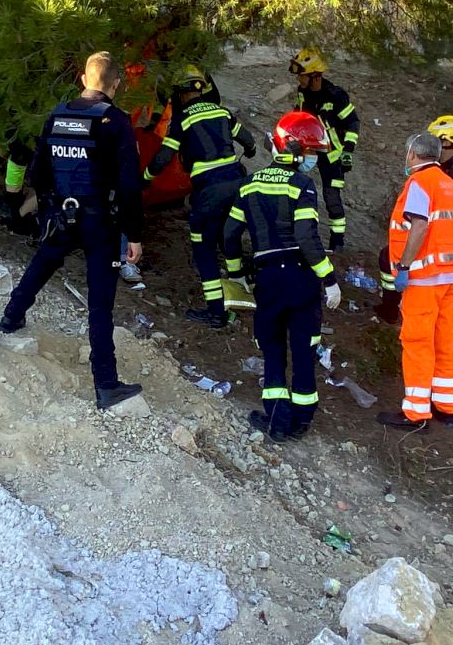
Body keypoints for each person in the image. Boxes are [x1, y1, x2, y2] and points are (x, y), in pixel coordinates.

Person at [0, 51, 145, 410]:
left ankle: (10, 318)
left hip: (63, 214)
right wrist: (135, 235)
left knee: (43, 263)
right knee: (100, 303)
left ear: (83, 79)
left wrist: (51, 207)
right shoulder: (117, 122)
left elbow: (38, 172)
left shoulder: (58, 115)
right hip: (101, 223)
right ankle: (106, 384)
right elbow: (129, 186)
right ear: (115, 85)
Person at [223, 111, 341, 442]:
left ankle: (275, 419)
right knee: (304, 348)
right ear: (293, 148)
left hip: (268, 279)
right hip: (301, 278)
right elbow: (306, 237)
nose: (313, 160)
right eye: (311, 152)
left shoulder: (249, 186)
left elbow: (230, 235)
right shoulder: (301, 185)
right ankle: (301, 420)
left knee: (273, 348)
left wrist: (238, 274)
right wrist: (329, 279)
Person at [144, 65, 257, 326]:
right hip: (237, 185)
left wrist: (144, 180)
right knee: (229, 238)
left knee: (203, 249)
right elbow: (248, 141)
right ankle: (242, 291)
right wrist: (249, 152)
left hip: (208, 193)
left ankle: (217, 312)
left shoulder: (182, 120)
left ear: (180, 92)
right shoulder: (222, 112)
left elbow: (163, 158)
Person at [376, 132, 453, 430]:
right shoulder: (447, 183)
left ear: (412, 154)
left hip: (424, 279)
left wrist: (403, 266)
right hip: (450, 278)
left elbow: (419, 225)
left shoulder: (419, 183)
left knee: (417, 342)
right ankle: (446, 405)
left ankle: (415, 413)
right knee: (445, 339)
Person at [377, 115, 453, 363]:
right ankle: (390, 309)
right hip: (427, 243)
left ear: (446, 142)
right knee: (386, 257)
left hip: (448, 249)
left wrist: (447, 249)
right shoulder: (437, 169)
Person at [291, 47, 361, 252]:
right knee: (292, 187)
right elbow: (299, 114)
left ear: (315, 76)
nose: (298, 80)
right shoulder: (302, 92)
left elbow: (353, 122)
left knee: (332, 198)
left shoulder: (336, 96)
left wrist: (348, 151)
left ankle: (337, 245)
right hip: (309, 151)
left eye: (301, 76)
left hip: (333, 155)